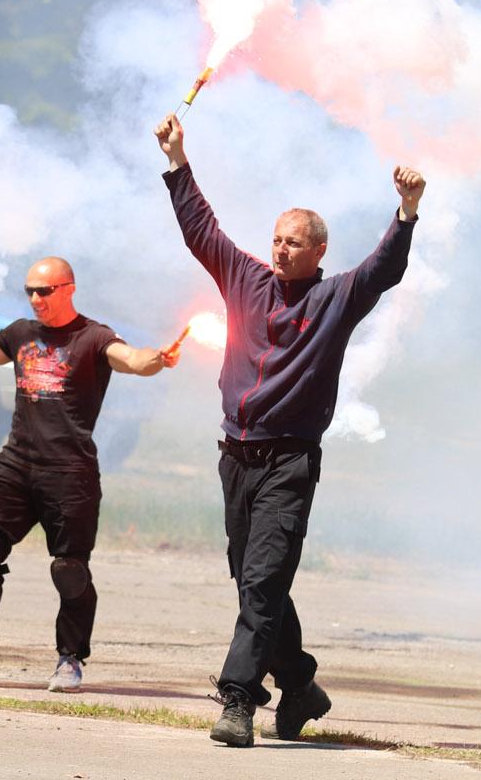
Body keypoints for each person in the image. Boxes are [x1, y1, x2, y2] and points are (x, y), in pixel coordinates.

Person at [152, 111, 426, 746]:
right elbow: (202, 230)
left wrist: (406, 211)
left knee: (264, 580)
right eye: (276, 239)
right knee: (254, 581)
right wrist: (176, 159)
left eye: (294, 243)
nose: (280, 250)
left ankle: (239, 700)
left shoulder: (337, 298)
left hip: (289, 462)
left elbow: (384, 268)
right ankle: (300, 685)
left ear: (319, 252)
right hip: (235, 457)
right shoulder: (245, 277)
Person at [0, 256, 176, 693]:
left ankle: (70, 660)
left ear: (68, 289)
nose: (36, 299)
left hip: (70, 474)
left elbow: (131, 359)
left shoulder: (94, 337)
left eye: (45, 291)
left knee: (69, 570)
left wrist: (156, 359)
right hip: (16, 464)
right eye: (30, 290)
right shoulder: (20, 334)